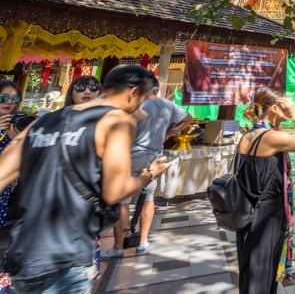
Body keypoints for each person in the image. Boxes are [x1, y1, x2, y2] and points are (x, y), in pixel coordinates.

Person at [0, 65, 174, 294]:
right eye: (141, 99)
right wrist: (148, 175)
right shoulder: (116, 121)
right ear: (133, 93)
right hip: (67, 256)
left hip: (24, 256)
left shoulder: (44, 121)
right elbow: (115, 191)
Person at [235, 87, 295, 293]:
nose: (291, 104)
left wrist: (280, 120)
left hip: (250, 211)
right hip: (266, 215)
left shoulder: (251, 133)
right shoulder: (271, 138)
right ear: (274, 108)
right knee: (262, 275)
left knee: (253, 271)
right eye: (286, 102)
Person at [104, 75, 193, 258]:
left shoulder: (136, 105)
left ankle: (119, 247)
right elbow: (189, 118)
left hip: (132, 155)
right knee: (148, 198)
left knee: (122, 201)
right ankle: (143, 241)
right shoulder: (168, 105)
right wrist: (171, 132)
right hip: (155, 157)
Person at [0, 80, 24, 229]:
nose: (9, 102)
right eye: (3, 97)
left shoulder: (16, 125)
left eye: (15, 99)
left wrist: (18, 140)